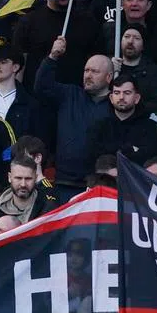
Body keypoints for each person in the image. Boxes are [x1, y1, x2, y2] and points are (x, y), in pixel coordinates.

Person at [35, 36, 113, 203]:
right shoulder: (70, 94)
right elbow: (42, 87)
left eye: (95, 72)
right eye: (86, 71)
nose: (88, 75)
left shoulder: (116, 104)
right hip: (64, 183)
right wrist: (53, 57)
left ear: (109, 77)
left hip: (98, 185)